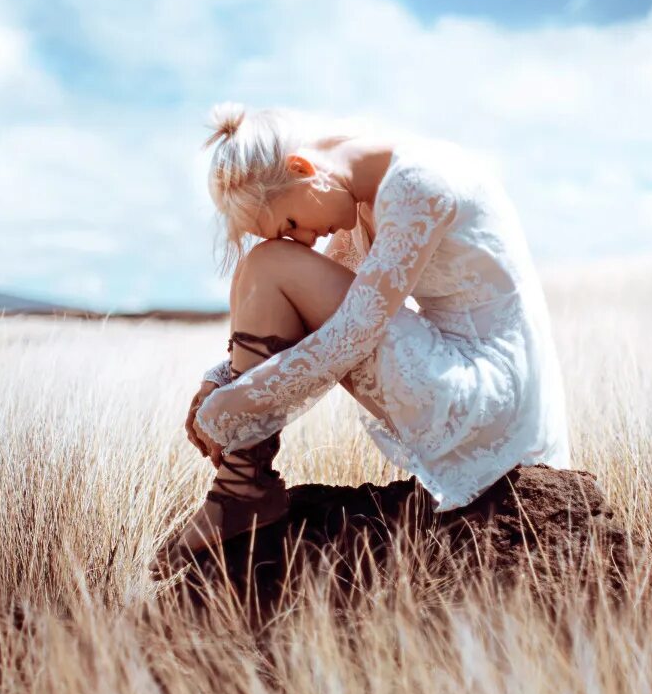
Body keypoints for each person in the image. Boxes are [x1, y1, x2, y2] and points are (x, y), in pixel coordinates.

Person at [170, 103, 571, 557]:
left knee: (269, 263)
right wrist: (220, 381)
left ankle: (241, 490)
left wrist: (234, 404)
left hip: (489, 397)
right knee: (258, 266)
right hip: (464, 381)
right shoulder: (363, 198)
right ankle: (241, 488)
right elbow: (316, 326)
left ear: (301, 168)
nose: (304, 240)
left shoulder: (417, 182)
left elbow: (351, 335)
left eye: (290, 224)